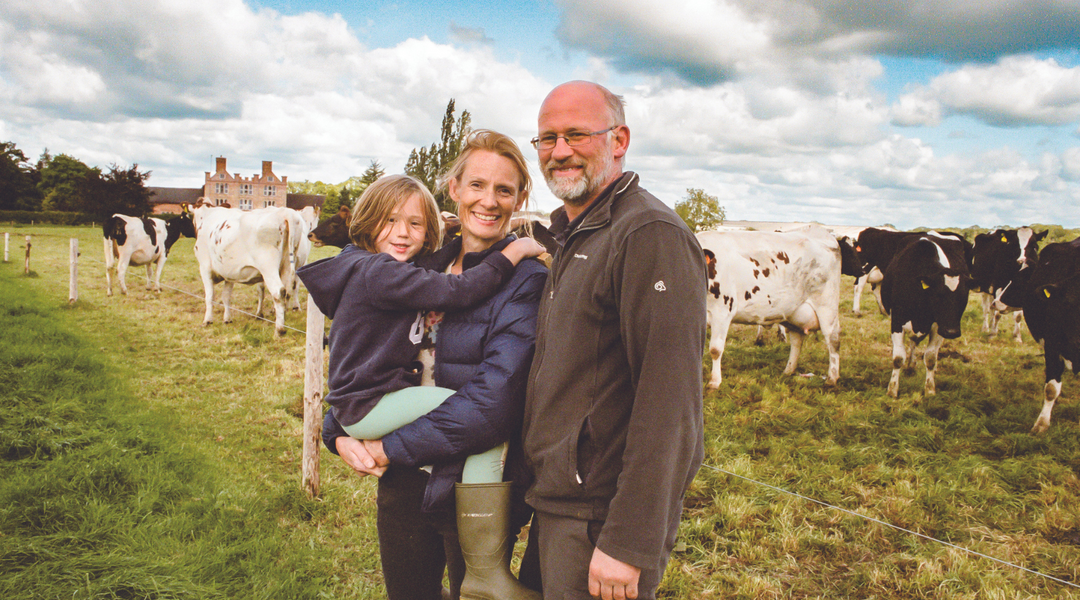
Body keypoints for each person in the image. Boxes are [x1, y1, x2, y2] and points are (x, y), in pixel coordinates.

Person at [318, 133, 549, 600]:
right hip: (404, 484)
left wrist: (387, 448)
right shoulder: (419, 264)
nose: (488, 201)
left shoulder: (526, 280)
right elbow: (367, 359)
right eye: (477, 185)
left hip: (471, 489)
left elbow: (493, 406)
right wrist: (336, 431)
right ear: (455, 189)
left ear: (520, 198)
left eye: (504, 190)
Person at [521, 81, 707, 600]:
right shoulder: (578, 234)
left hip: (599, 520)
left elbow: (670, 404)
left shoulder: (648, 234)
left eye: (577, 134)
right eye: (547, 138)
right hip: (558, 504)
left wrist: (629, 541)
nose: (560, 151)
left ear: (619, 140)